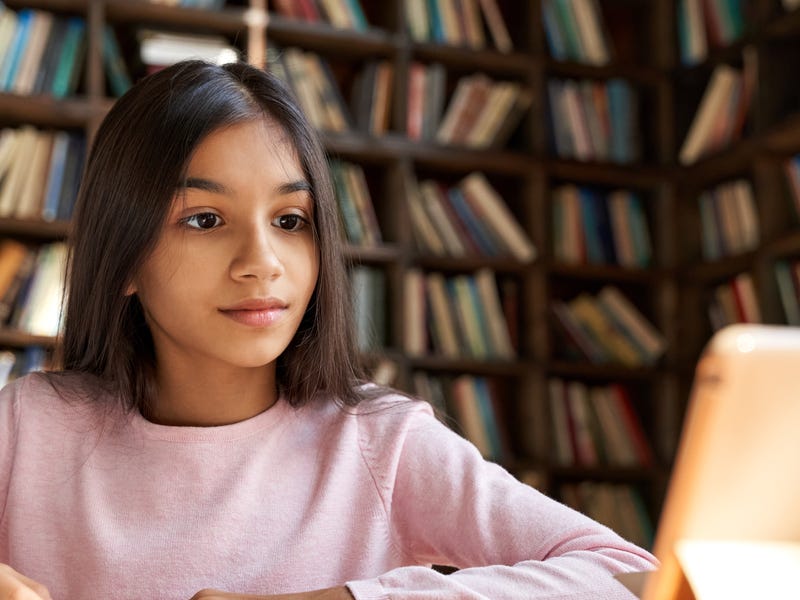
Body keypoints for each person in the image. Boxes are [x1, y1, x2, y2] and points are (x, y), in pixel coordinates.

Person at [0, 59, 657, 600]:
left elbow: (629, 575)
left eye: (290, 221)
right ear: (123, 258)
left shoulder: (379, 443)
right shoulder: (27, 427)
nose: (262, 262)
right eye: (205, 220)